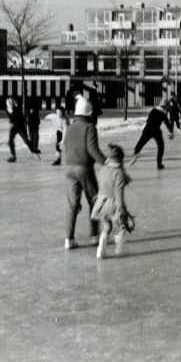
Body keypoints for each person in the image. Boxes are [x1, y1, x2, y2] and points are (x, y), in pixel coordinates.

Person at [63, 96, 107, 250]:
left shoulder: (69, 127)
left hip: (69, 169)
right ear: (89, 113)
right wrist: (106, 162)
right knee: (94, 201)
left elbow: (65, 147)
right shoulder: (89, 128)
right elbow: (92, 150)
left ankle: (69, 239)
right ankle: (94, 236)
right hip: (84, 169)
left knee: (73, 205)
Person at [90, 143, 133, 259]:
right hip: (113, 204)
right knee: (120, 228)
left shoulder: (103, 169)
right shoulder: (119, 173)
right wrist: (122, 209)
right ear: (120, 159)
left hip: (101, 202)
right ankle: (119, 250)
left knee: (106, 227)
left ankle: (100, 250)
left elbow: (103, 185)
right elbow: (119, 194)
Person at [129, 99, 172, 169]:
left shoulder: (154, 110)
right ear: (165, 106)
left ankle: (135, 154)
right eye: (167, 106)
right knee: (161, 147)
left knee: (141, 143)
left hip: (148, 129)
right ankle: (159, 164)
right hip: (155, 131)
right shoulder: (163, 113)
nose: (167, 108)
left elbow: (149, 120)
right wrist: (170, 131)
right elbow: (167, 123)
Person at [5, 97, 39, 163]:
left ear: (12, 103)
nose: (9, 104)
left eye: (10, 102)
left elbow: (21, 118)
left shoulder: (17, 108)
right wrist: (11, 124)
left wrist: (16, 122)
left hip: (20, 126)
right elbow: (11, 118)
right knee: (10, 141)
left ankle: (34, 151)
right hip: (14, 126)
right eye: (8, 103)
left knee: (26, 140)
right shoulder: (7, 109)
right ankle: (13, 156)